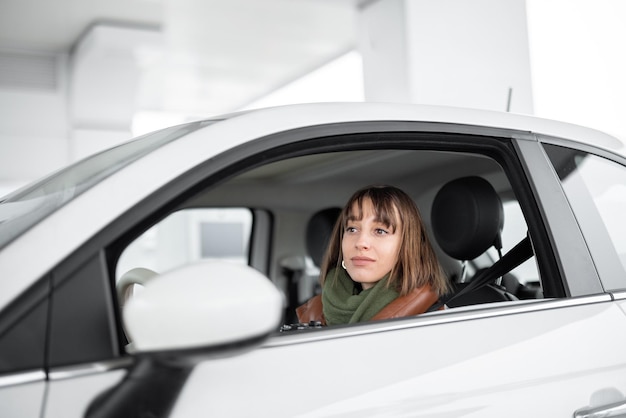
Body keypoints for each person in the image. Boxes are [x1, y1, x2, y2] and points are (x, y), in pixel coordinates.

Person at [296, 184, 449, 325]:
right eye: (352, 229)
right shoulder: (313, 313)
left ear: (408, 246)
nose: (360, 242)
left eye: (380, 231)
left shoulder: (434, 322)